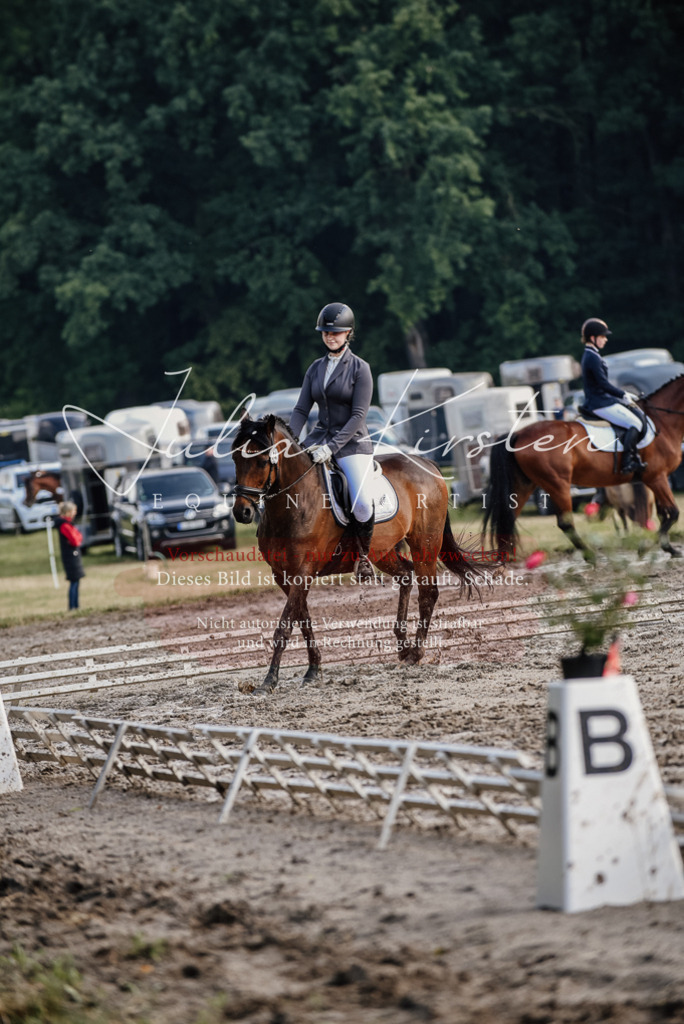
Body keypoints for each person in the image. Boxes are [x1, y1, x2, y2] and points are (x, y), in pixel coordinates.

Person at [289, 301, 376, 578]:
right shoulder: (315, 368)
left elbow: (358, 415)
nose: (330, 336)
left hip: (351, 444)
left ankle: (363, 557)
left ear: (348, 333)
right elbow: (302, 409)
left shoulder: (360, 369)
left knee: (361, 502)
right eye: (326, 332)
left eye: (336, 333)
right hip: (318, 438)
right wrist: (290, 443)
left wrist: (331, 448)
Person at [580, 318, 647, 474]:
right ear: (593, 338)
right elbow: (603, 384)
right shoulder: (592, 357)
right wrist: (623, 394)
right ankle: (627, 462)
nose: (606, 339)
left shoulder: (592, 355)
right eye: (603, 336)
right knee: (635, 423)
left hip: (602, 400)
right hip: (600, 403)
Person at [54, 501, 85, 610]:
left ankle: (76, 605)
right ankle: (73, 606)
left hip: (73, 556)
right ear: (68, 512)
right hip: (70, 557)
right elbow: (75, 540)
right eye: (73, 511)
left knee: (76, 582)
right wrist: (78, 538)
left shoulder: (68, 524)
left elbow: (79, 537)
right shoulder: (65, 525)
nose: (75, 513)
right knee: (74, 582)